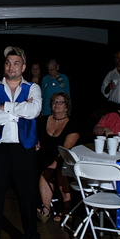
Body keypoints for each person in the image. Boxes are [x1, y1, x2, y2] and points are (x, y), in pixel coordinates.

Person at [0, 46, 42, 239]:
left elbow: (34, 110)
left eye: (16, 63)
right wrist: (19, 109)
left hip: (24, 148)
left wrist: (4, 108)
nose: (11, 66)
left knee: (27, 196)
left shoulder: (33, 88)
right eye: (8, 63)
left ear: (23, 67)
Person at [36, 92, 80, 224]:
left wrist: (54, 164)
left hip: (63, 158)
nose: (57, 105)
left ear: (67, 107)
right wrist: (34, 141)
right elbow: (31, 133)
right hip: (43, 156)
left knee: (60, 169)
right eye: (55, 102)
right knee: (43, 167)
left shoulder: (72, 125)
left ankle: (67, 206)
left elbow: (65, 150)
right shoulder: (42, 121)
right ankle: (46, 207)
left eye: (61, 102)